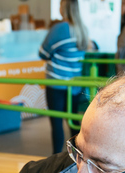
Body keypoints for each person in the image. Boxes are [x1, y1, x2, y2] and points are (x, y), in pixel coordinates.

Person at [40, 0, 90, 154]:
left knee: (56, 123)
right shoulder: (82, 29)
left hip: (57, 83)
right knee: (74, 123)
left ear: (64, 8)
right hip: (75, 85)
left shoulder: (60, 29)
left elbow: (43, 53)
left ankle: (56, 159)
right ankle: (77, 158)